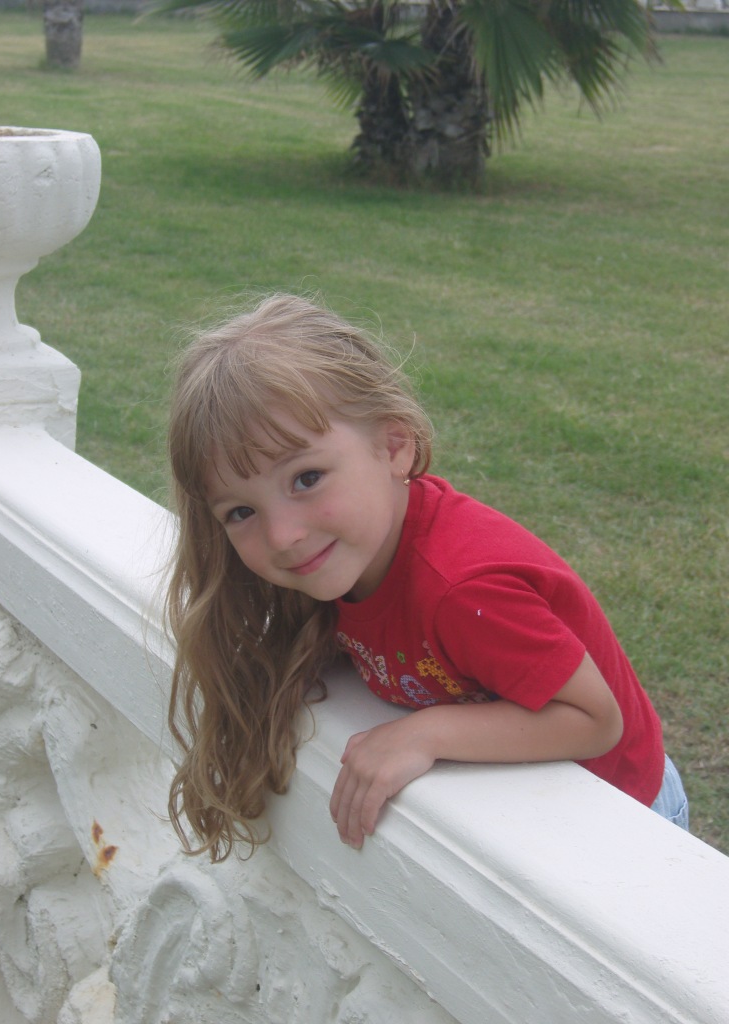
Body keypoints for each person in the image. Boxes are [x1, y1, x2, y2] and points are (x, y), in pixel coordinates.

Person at [165, 293, 688, 861]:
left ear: (394, 447)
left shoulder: (461, 591)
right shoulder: (347, 556)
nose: (281, 535)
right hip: (535, 811)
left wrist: (425, 734)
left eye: (306, 478)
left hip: (623, 815)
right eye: (241, 511)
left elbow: (595, 720)